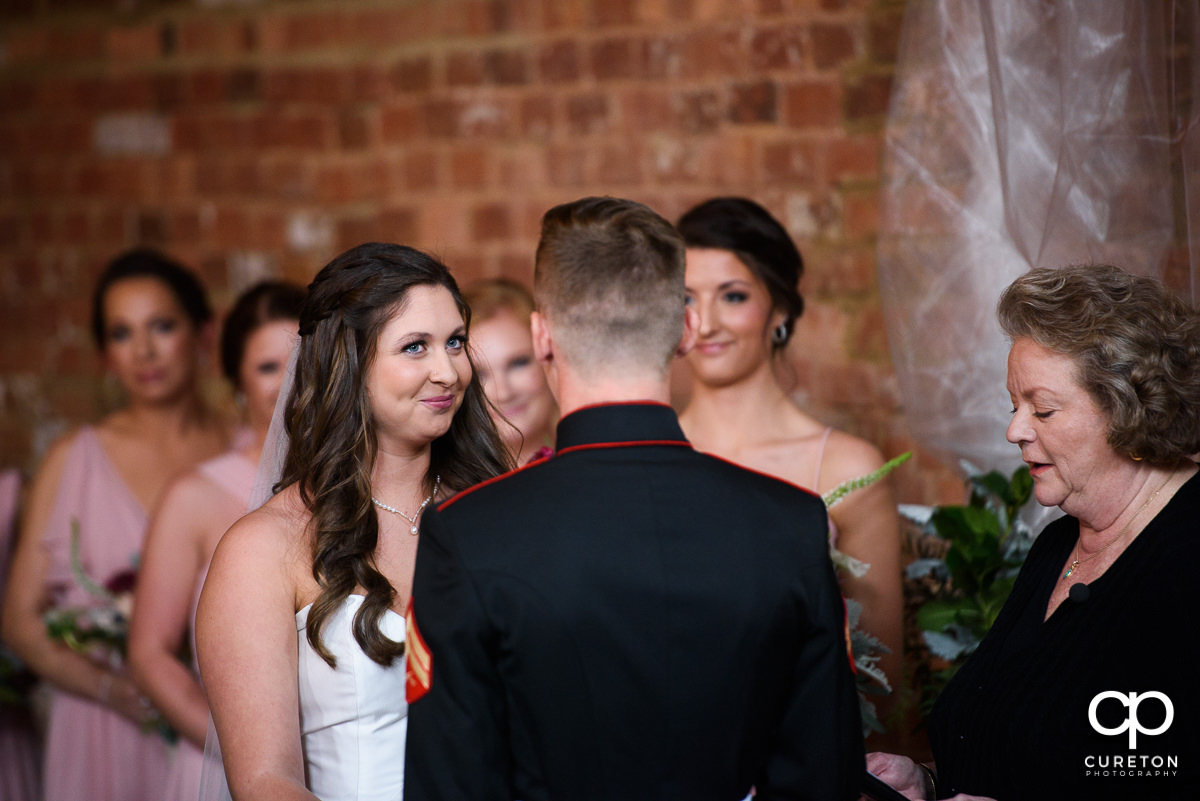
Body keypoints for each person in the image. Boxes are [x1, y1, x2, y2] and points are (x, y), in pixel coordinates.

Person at [404, 196, 866, 801]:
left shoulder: (468, 531)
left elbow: (452, 784)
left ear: (542, 336)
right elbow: (821, 779)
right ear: (686, 328)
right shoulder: (791, 523)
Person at [868, 264, 1200, 801]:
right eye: (1014, 405)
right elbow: (1014, 749)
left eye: (1042, 409)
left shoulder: (1187, 560)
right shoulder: (1058, 542)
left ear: (1127, 407)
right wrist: (927, 782)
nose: (1015, 430)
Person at [196, 243, 510, 801]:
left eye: (455, 342)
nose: (448, 371)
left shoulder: (500, 508)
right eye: (416, 347)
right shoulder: (265, 549)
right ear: (349, 362)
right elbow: (268, 781)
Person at [1, 248, 230, 801]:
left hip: (215, 725)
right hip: (104, 730)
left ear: (202, 333)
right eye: (122, 334)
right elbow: (20, 623)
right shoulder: (72, 461)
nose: (144, 351)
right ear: (105, 353)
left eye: (162, 326)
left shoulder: (243, 454)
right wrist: (116, 690)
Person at [674, 197, 904, 723]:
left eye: (732, 296)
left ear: (778, 309)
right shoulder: (646, 453)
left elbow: (884, 682)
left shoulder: (847, 468)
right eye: (685, 298)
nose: (704, 323)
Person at [127, 281, 305, 801]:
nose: (289, 380)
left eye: (299, 360)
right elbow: (149, 653)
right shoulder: (194, 495)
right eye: (268, 367)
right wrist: (243, 749)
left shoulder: (359, 487)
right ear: (236, 383)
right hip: (222, 766)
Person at [463, 278, 558, 465]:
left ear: (549, 358)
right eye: (479, 375)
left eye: (518, 363)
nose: (504, 393)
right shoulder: (443, 489)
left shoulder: (595, 463)